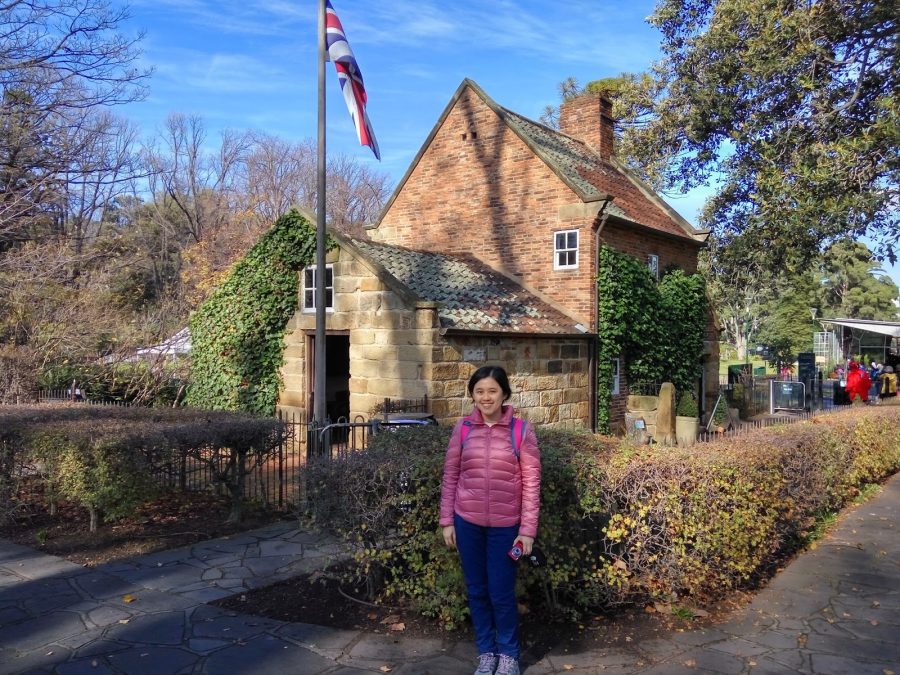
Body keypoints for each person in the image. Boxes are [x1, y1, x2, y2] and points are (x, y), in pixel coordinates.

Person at [440, 366, 541, 675]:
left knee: (500, 593)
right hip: (467, 522)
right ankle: (487, 653)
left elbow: (532, 483)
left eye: (492, 391)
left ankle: (508, 655)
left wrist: (527, 531)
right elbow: (451, 475)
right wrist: (447, 521)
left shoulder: (520, 430)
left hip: (505, 527)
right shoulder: (463, 429)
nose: (486, 397)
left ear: (504, 394)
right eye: (480, 391)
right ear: (472, 394)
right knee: (477, 591)